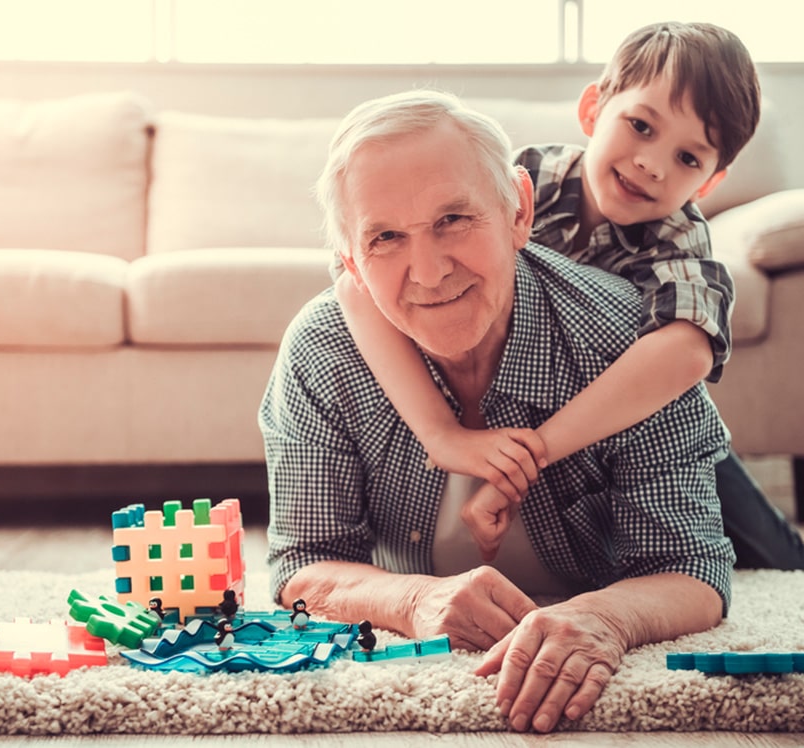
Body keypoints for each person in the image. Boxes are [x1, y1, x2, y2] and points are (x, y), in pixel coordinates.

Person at [259, 88, 735, 732]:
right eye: (386, 237)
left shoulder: (631, 348)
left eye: (454, 219)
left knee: (761, 542)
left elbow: (691, 566)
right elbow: (302, 564)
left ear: (519, 210)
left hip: (688, 466)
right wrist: (414, 599)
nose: (427, 272)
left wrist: (602, 616)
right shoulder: (323, 351)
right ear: (350, 260)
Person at [332, 22, 804, 570]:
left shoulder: (680, 237)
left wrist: (538, 451)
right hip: (533, 394)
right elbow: (354, 284)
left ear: (707, 185)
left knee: (768, 552)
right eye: (641, 126)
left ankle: (777, 548)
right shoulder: (528, 176)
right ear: (592, 110)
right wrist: (440, 433)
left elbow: (688, 353)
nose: (652, 163)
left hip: (641, 421)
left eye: (688, 159)